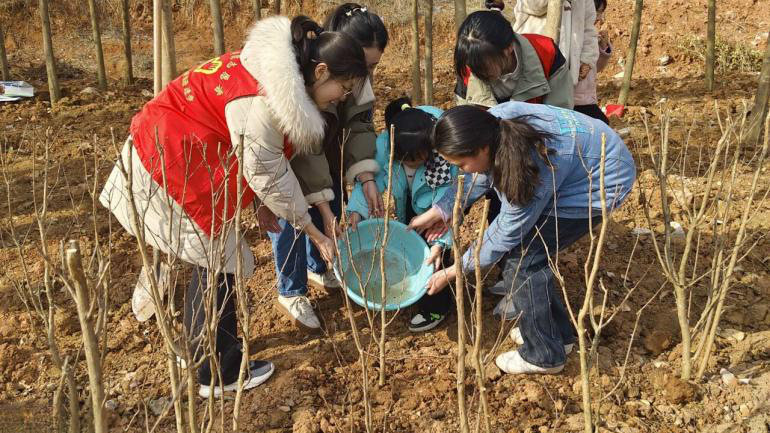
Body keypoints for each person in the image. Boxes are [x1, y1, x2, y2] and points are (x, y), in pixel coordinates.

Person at [99, 15, 369, 397]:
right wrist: (312, 231)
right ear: (320, 71)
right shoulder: (267, 103)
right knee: (221, 263)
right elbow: (269, 174)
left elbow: (255, 157)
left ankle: (197, 352)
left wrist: (267, 204)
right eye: (342, 87)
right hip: (169, 165)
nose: (341, 97)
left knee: (214, 260)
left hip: (174, 153)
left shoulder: (274, 74)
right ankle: (216, 371)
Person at [409, 102, 636, 374]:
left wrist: (456, 269)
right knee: (527, 256)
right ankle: (556, 336)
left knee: (524, 260)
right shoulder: (490, 126)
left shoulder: (533, 169)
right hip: (585, 159)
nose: (462, 169)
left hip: (601, 182)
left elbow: (507, 231)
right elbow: (478, 176)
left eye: (461, 163)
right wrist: (442, 209)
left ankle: (543, 355)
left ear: (481, 149)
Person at [270, 3, 390, 332]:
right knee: (292, 215)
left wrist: (366, 177)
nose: (364, 75)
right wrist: (317, 206)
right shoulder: (303, 78)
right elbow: (304, 152)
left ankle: (317, 267)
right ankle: (291, 290)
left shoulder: (358, 80)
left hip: (329, 149)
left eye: (372, 65)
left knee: (331, 202)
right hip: (288, 154)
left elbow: (361, 126)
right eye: (362, 65)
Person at [347, 97, 456, 332]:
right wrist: (357, 211)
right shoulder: (387, 144)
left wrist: (439, 242)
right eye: (407, 161)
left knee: (433, 250)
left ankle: (436, 306)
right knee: (410, 231)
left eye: (418, 161)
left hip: (437, 202)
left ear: (429, 152)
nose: (413, 164)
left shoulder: (445, 157)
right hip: (409, 197)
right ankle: (418, 285)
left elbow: (451, 202)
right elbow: (372, 180)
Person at [453, 7, 574, 109]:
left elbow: (561, 116)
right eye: (473, 65)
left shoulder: (546, 52)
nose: (477, 71)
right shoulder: (468, 64)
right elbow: (466, 121)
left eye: (483, 64)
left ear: (508, 47)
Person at [512, 0, 599, 106]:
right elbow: (533, 6)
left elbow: (589, 30)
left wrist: (587, 59)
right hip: (534, 58)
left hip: (564, 67)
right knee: (529, 107)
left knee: (559, 108)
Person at [573, 0, 612, 123]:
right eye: (597, 11)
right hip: (575, 99)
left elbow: (596, 68)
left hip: (586, 97)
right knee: (602, 126)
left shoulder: (591, 34)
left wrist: (602, 48)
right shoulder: (574, 33)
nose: (599, 17)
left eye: (601, 13)